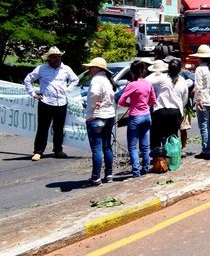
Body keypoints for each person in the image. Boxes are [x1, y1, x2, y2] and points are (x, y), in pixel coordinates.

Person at [24, 46, 79, 161]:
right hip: (46, 102)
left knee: (59, 128)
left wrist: (67, 90)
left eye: (59, 57)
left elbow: (75, 80)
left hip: (61, 103)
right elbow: (28, 79)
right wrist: (33, 94)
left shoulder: (66, 69)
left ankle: (58, 150)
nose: (57, 59)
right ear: (49, 58)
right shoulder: (41, 69)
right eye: (54, 57)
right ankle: (38, 151)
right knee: (43, 128)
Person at [118, 61, 157, 177]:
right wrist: (145, 104)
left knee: (132, 146)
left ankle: (136, 172)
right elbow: (153, 100)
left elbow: (120, 101)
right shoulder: (148, 83)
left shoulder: (131, 85)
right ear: (143, 71)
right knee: (145, 146)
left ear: (132, 71)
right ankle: (145, 169)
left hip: (135, 116)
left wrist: (130, 105)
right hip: (146, 116)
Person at [83, 57, 117, 186]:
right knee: (107, 146)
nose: (89, 69)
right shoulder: (107, 80)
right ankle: (108, 174)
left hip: (97, 117)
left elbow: (94, 96)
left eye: (91, 67)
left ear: (97, 68)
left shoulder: (97, 80)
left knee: (97, 149)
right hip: (108, 116)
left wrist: (93, 109)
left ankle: (96, 177)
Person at [148, 59, 188, 151]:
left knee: (157, 137)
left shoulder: (162, 78)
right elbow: (184, 100)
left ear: (168, 68)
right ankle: (171, 160)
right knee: (172, 138)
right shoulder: (183, 82)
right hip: (175, 113)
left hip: (160, 112)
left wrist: (156, 72)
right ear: (180, 69)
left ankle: (158, 160)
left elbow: (147, 81)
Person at [189, 45, 210, 158]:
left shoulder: (199, 69)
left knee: (204, 125)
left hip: (204, 100)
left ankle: (206, 150)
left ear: (200, 57)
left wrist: (198, 100)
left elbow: (199, 87)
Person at [163, 56, 195, 157]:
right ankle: (174, 149)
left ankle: (183, 148)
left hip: (183, 106)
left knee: (182, 128)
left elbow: (194, 81)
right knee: (173, 130)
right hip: (175, 107)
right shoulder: (165, 77)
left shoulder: (184, 74)